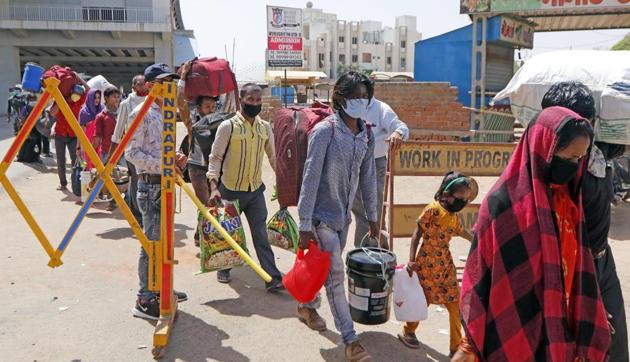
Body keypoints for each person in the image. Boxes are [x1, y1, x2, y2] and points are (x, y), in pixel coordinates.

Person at [454, 107, 611, 361]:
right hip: (513, 334)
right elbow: (479, 277)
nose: (574, 167)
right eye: (569, 158)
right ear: (544, 151)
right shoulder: (501, 206)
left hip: (561, 335)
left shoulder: (568, 203)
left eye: (579, 160)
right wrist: (470, 344)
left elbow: (578, 269)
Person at [540, 81, 628, 361]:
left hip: (603, 258)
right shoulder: (554, 169)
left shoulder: (597, 149)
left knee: (616, 346)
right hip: (574, 265)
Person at [297, 71, 378, 362]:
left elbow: (368, 178)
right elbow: (309, 178)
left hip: (343, 220)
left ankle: (305, 305)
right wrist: (304, 224)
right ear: (340, 98)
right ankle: (350, 340)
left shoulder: (366, 133)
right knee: (335, 278)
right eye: (355, 96)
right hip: (321, 219)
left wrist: (373, 216)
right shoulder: (325, 132)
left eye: (365, 96)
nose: (361, 101)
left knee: (325, 270)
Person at [207, 83, 284, 292]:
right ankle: (225, 267)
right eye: (251, 100)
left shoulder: (264, 127)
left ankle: (272, 277)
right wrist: (214, 186)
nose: (255, 104)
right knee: (230, 235)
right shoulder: (228, 127)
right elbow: (215, 158)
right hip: (230, 191)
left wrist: (283, 183)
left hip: (255, 191)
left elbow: (273, 157)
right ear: (241, 100)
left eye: (258, 101)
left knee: (260, 234)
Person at [126, 63, 188, 320]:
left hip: (164, 185)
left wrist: (175, 157)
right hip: (150, 185)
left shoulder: (166, 113)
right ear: (151, 86)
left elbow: (159, 149)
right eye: (165, 82)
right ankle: (144, 298)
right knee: (151, 244)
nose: (170, 87)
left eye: (172, 82)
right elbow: (132, 153)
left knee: (164, 243)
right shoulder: (141, 113)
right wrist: (163, 164)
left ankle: (161, 288)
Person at [398, 172, 476, 356]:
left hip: (445, 265)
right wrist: (411, 260)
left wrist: (477, 241)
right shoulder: (432, 210)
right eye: (460, 198)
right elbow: (417, 233)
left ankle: (455, 347)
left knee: (454, 302)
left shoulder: (453, 216)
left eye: (466, 199)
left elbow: (462, 231)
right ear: (446, 195)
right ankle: (408, 330)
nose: (463, 202)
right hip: (427, 264)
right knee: (423, 300)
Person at [351, 96, 408, 247]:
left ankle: (378, 256)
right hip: (352, 163)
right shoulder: (351, 107)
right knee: (360, 212)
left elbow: (400, 127)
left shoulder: (381, 108)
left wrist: (398, 134)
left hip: (375, 164)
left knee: (375, 212)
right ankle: (363, 257)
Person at [110, 75, 147, 226]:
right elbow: (118, 132)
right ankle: (137, 215)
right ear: (133, 86)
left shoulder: (153, 101)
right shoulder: (126, 104)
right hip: (133, 150)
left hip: (150, 151)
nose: (143, 86)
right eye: (140, 84)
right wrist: (112, 156)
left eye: (145, 84)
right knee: (136, 183)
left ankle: (146, 214)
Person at [50, 76, 89, 191]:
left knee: (76, 160)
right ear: (70, 92)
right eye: (74, 94)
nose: (76, 97)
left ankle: (75, 182)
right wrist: (62, 100)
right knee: (61, 161)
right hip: (60, 135)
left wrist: (79, 79)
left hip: (73, 136)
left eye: (78, 95)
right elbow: (52, 113)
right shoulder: (59, 101)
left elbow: (89, 89)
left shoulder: (79, 101)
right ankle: (63, 183)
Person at [93, 86, 120, 162]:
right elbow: (97, 137)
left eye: (118, 97)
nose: (117, 99)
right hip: (106, 152)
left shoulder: (122, 113)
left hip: (122, 152)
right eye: (114, 97)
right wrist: (92, 154)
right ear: (106, 98)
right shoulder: (101, 116)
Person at [78, 89, 103, 170]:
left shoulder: (102, 110)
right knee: (87, 169)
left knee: (100, 168)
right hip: (87, 146)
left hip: (100, 145)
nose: (97, 100)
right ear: (90, 98)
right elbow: (80, 132)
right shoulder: (84, 112)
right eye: (94, 98)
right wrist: (78, 147)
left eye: (99, 98)